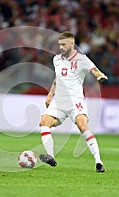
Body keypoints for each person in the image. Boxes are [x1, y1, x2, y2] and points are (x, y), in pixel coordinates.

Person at [39, 31, 108, 172]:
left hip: (75, 101)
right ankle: (50, 156)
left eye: (64, 44)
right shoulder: (56, 59)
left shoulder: (82, 59)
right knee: (44, 122)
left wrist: (100, 76)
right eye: (59, 45)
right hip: (59, 101)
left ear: (72, 44)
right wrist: (50, 94)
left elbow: (94, 70)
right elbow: (57, 78)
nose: (61, 47)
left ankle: (98, 162)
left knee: (82, 126)